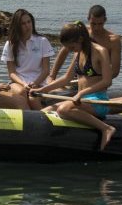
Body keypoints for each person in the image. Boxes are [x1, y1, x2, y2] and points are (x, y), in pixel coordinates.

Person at [31, 21, 117, 150]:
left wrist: (81, 93)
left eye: (71, 47)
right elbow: (66, 79)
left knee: (63, 109)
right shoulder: (78, 53)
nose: (70, 51)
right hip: (80, 101)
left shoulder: (100, 51)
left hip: (98, 101)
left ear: (80, 39)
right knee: (44, 112)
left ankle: (106, 128)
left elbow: (107, 81)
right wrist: (42, 89)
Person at [50, 4, 122, 81]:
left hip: (97, 81)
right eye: (93, 24)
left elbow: (115, 72)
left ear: (105, 20)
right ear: (88, 19)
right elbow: (65, 50)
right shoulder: (83, 31)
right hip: (76, 75)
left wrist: (92, 80)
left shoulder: (113, 40)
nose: (96, 28)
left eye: (100, 24)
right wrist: (52, 76)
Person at [1, 9, 55, 94]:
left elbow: (46, 70)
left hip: (39, 82)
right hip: (18, 83)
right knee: (22, 92)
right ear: (17, 26)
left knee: (33, 97)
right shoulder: (10, 44)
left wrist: (35, 83)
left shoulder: (42, 41)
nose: (27, 26)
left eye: (29, 22)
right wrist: (23, 84)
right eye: (23, 23)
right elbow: (11, 73)